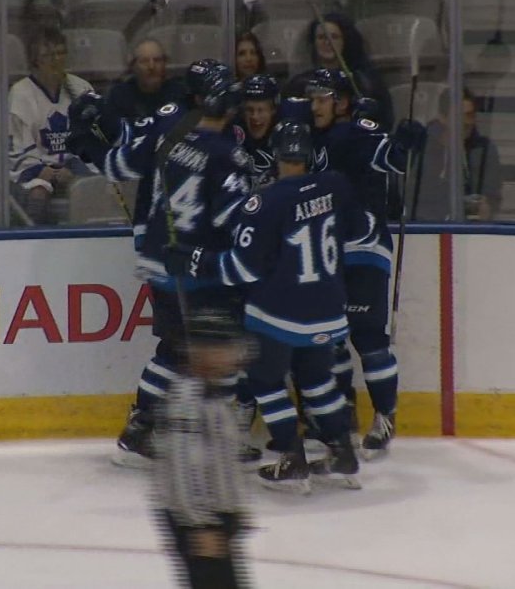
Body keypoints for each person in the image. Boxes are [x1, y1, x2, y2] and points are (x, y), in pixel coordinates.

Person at [167, 120, 378, 493]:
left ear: (277, 156)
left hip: (279, 313)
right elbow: (360, 231)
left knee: (265, 379)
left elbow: (241, 269)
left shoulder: (264, 201)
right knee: (317, 380)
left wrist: (195, 259)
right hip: (329, 310)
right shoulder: (336, 184)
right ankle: (342, 451)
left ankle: (291, 457)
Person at [94, 64, 252, 468]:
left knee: (174, 348)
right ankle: (211, 433)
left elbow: (118, 166)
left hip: (160, 256)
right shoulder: (225, 153)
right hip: (198, 264)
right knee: (219, 344)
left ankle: (144, 425)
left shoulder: (170, 136)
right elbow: (229, 219)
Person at [307, 67, 425, 460]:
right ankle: (343, 418)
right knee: (332, 338)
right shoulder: (319, 138)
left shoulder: (353, 133)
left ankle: (384, 417)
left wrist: (402, 146)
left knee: (368, 339)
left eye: (323, 98)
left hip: (364, 250)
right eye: (313, 98)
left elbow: (386, 157)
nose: (315, 105)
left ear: (341, 102)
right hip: (330, 255)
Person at [152, 308, 253, 589]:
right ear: (202, 352)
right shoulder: (188, 400)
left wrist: (235, 516)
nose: (235, 354)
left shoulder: (211, 395)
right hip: (201, 525)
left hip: (215, 523)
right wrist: (200, 524)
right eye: (226, 348)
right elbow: (183, 465)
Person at [8, 26, 96, 224]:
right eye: (48, 55)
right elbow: (17, 146)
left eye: (60, 53)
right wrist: (44, 170)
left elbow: (93, 139)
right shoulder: (21, 93)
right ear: (35, 60)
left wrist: (75, 168)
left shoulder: (81, 88)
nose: (56, 60)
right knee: (38, 192)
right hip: (38, 171)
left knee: (102, 187)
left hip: (75, 168)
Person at [287, 12, 394, 127]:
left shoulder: (366, 83)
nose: (327, 42)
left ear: (346, 41)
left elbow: (385, 121)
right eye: (321, 37)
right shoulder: (299, 84)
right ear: (314, 42)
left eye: (334, 37)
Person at [412, 86, 503, 222]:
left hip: (472, 230)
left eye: (470, 115)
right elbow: (412, 197)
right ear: (443, 118)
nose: (467, 122)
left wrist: (487, 206)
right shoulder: (419, 148)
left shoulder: (484, 150)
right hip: (425, 229)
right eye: (460, 116)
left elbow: (492, 194)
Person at [105, 39, 188, 126]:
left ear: (165, 63)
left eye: (157, 60)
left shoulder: (180, 94)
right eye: (144, 61)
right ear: (133, 66)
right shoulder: (119, 96)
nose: (151, 66)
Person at [237, 74, 278, 189]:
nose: (255, 116)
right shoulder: (232, 131)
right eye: (249, 110)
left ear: (273, 110)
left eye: (261, 110)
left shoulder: (285, 135)